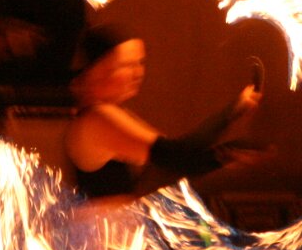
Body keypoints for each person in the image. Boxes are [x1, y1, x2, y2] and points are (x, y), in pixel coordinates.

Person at [64, 26, 262, 198]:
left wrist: (229, 143)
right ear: (98, 70)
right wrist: (232, 122)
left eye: (140, 63)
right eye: (127, 65)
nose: (138, 74)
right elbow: (175, 156)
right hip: (103, 230)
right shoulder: (100, 117)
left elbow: (176, 158)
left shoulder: (102, 114)